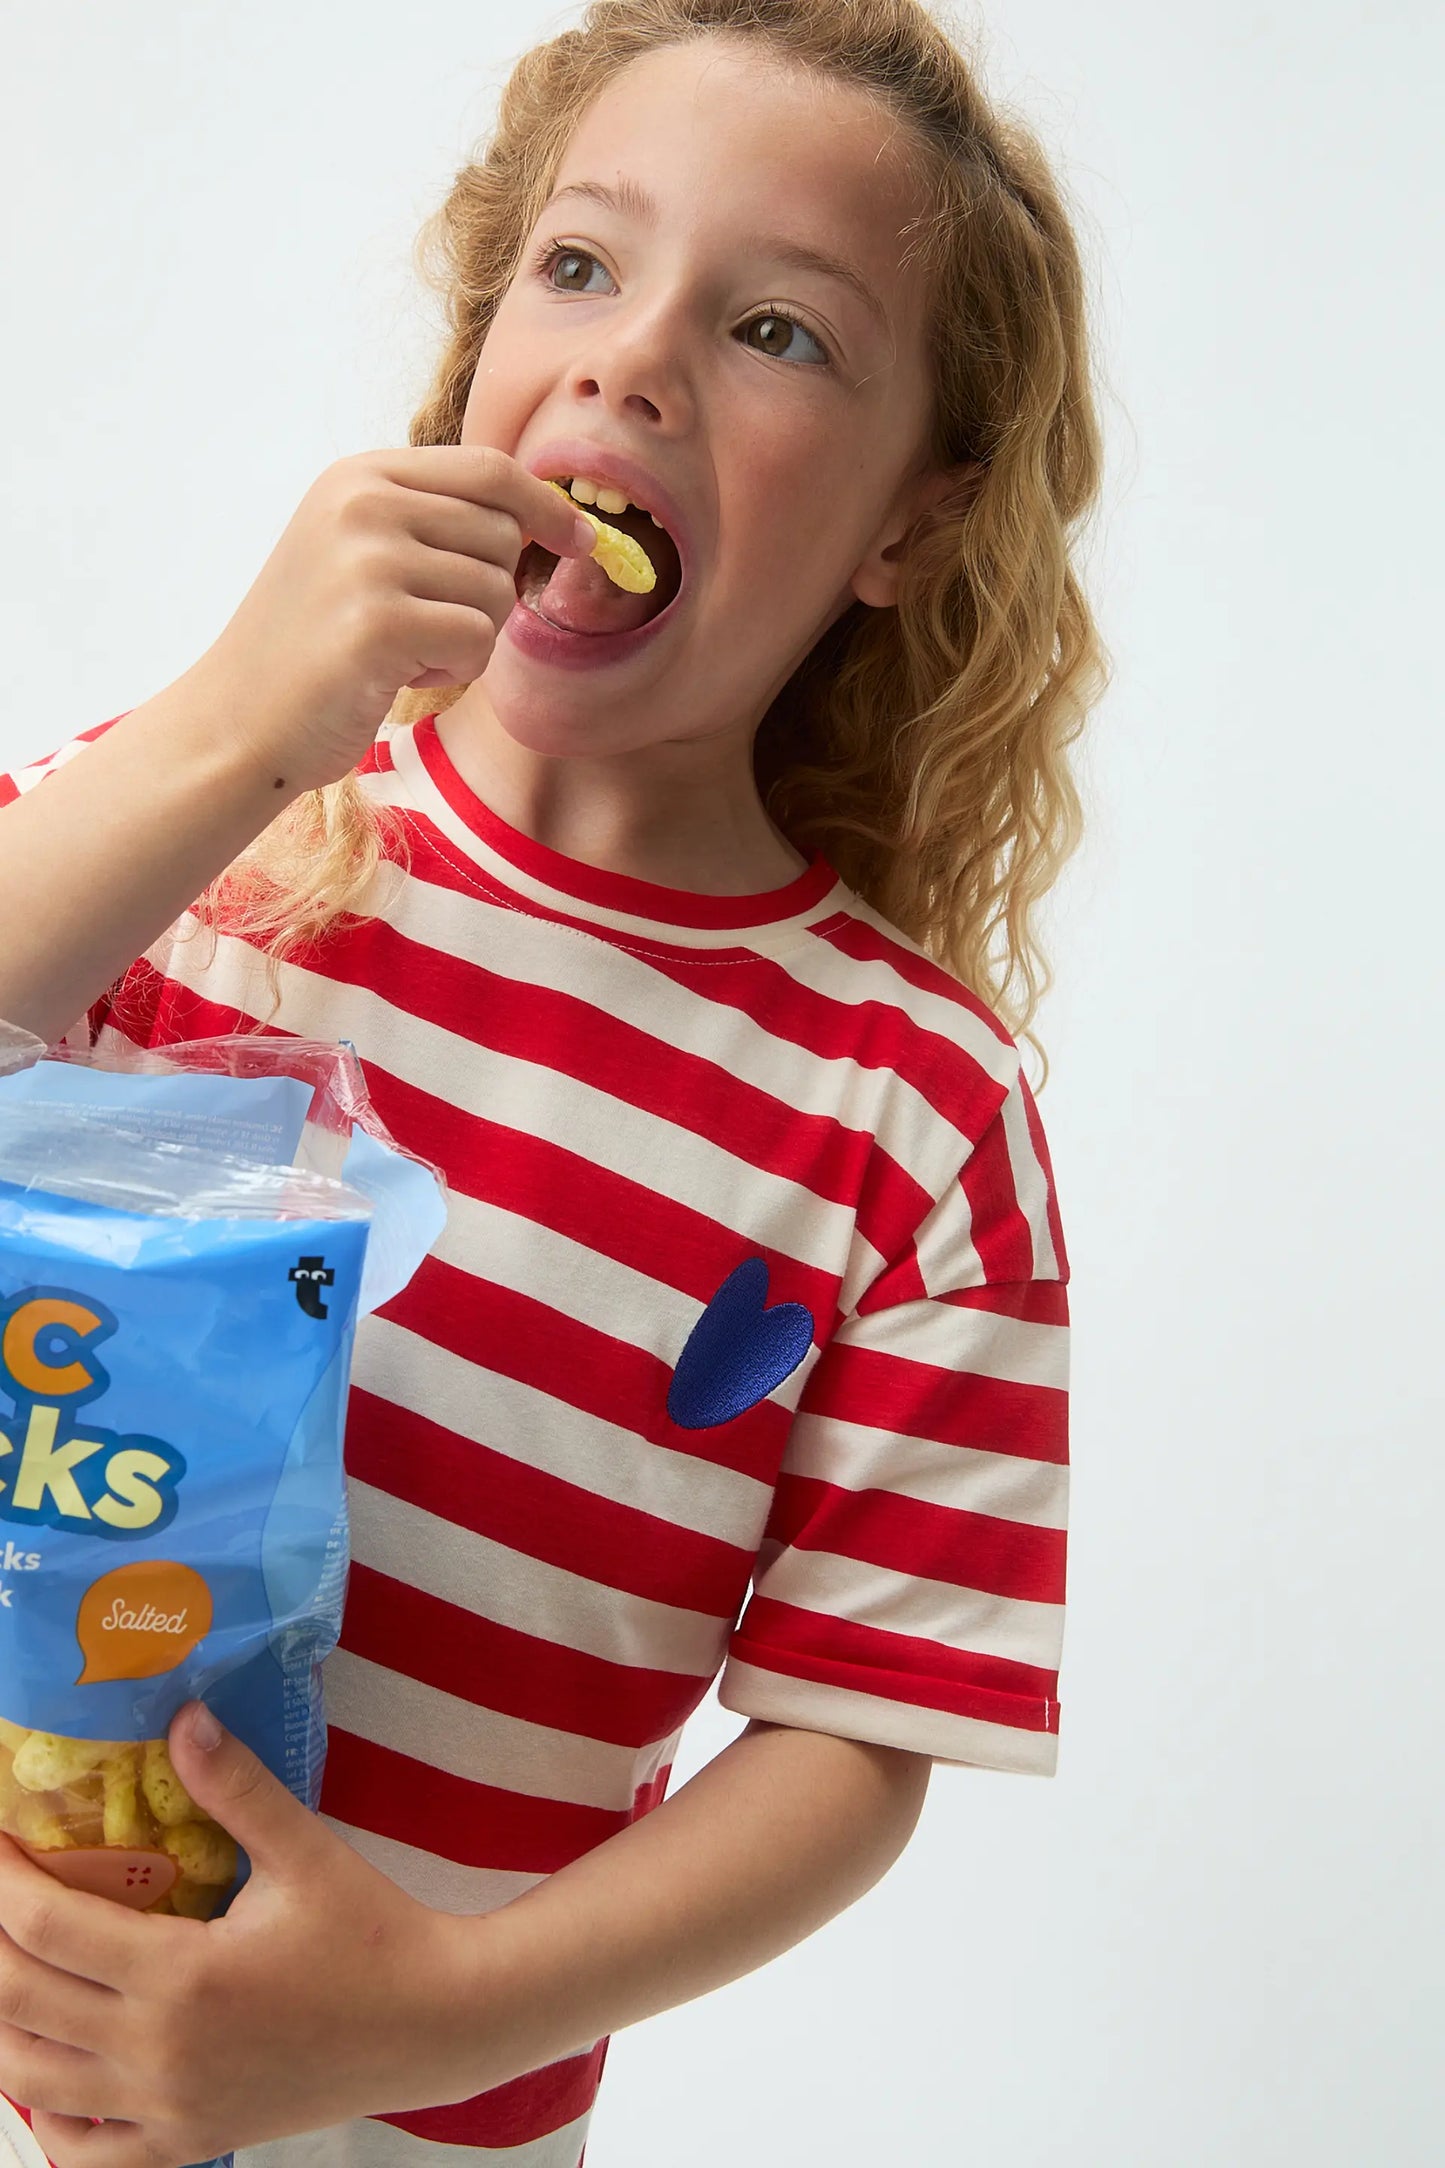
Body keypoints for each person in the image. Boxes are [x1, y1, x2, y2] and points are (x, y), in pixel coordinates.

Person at [0, 1, 1110, 2162]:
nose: (633, 360)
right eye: (582, 269)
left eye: (778, 330)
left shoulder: (916, 1121)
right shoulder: (202, 830)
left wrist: (428, 2014)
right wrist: (238, 722)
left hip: (417, 2116)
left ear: (911, 519)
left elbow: (857, 1734)